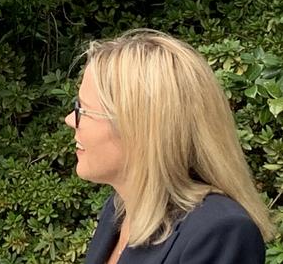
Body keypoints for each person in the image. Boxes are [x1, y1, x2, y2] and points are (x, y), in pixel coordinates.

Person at [64, 29, 274, 264]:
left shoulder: (219, 233)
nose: (70, 120)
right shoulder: (119, 210)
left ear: (140, 128)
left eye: (83, 110)